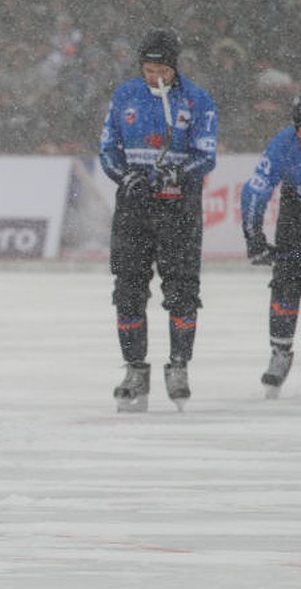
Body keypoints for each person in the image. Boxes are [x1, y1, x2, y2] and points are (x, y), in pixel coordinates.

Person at [98, 28, 218, 413]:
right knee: (128, 289)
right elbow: (107, 148)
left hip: (179, 209)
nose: (155, 77)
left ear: (174, 67)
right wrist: (124, 176)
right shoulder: (125, 96)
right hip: (134, 208)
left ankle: (179, 366)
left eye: (161, 70)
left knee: (182, 288)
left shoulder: (197, 100)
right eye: (149, 70)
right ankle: (135, 369)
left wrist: (179, 176)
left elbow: (207, 154)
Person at [240, 90, 301, 399]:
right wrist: (254, 236)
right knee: (287, 279)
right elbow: (255, 190)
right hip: (300, 204)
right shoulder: (282, 145)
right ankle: (280, 352)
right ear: (296, 132)